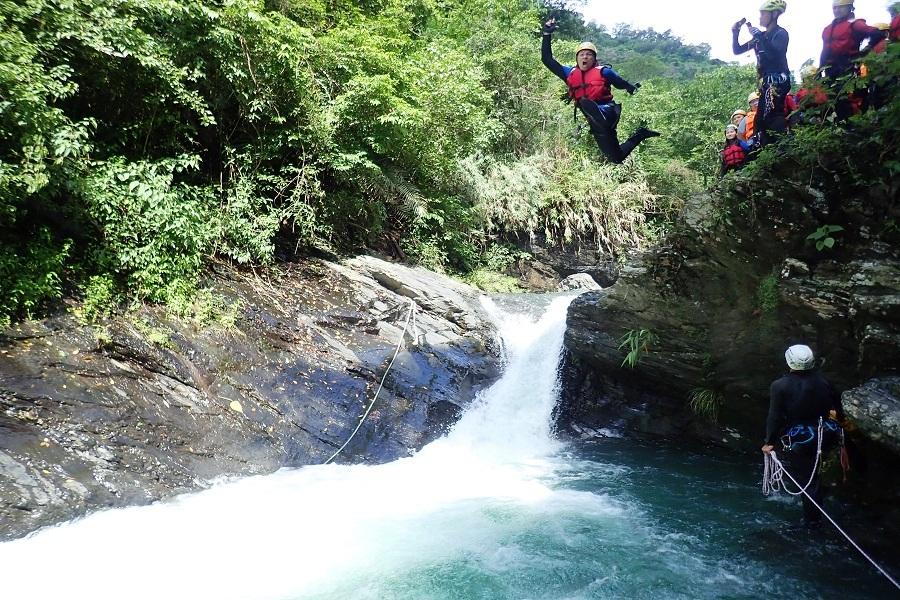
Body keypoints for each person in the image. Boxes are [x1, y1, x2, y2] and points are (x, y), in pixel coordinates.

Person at [541, 18, 660, 164]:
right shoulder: (569, 73)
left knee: (599, 110)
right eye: (581, 54)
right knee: (615, 158)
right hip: (593, 120)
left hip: (609, 112)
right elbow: (547, 59)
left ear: (594, 59)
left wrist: (630, 88)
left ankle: (598, 113)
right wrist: (547, 33)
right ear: (577, 58)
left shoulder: (604, 72)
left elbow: (620, 82)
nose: (585, 57)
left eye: (589, 54)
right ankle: (641, 134)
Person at [762, 344, 845, 527]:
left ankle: (812, 522)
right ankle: (819, 498)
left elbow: (774, 416)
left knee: (809, 480)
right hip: (826, 433)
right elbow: (838, 408)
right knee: (812, 474)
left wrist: (769, 442)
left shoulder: (779, 386)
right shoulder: (824, 381)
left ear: (789, 361)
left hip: (802, 439)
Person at [732, 1, 791, 147]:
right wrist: (735, 33)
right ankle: (765, 149)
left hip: (779, 80)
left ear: (774, 14)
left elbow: (774, 55)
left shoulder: (781, 33)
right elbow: (738, 50)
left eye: (763, 14)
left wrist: (760, 37)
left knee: (773, 113)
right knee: (760, 120)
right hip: (766, 82)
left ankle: (783, 145)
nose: (760, 17)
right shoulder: (761, 36)